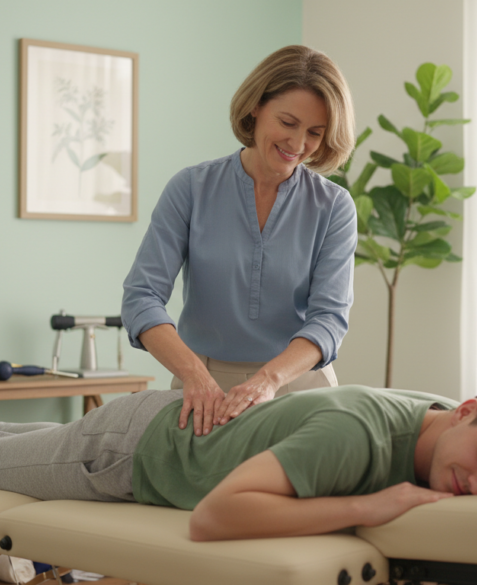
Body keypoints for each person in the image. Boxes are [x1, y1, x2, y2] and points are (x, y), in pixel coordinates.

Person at [0, 380, 477, 541]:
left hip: (167, 425)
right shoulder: (356, 434)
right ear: (470, 409)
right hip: (127, 455)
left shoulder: (436, 412)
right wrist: (372, 506)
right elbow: (214, 516)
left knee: (11, 445)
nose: (473, 486)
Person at [121, 45, 358, 438]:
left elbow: (329, 319)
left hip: (297, 385)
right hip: (201, 386)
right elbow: (141, 298)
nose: (298, 143)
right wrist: (193, 374)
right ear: (255, 107)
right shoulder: (191, 189)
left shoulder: (334, 206)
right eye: (288, 122)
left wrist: (268, 381)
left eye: (315, 133)